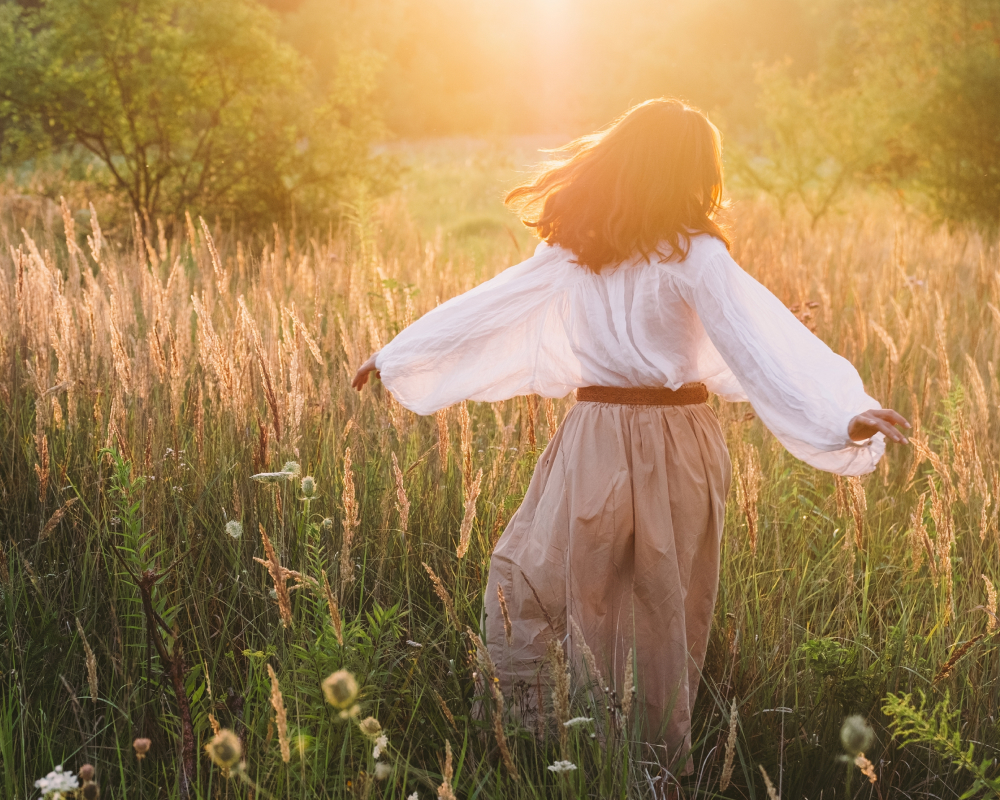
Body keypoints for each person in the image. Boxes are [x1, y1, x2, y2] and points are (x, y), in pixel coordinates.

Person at [352, 98, 909, 774]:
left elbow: (760, 342)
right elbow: (495, 302)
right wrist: (401, 355)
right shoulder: (577, 251)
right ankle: (544, 744)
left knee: (649, 609)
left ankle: (641, 769)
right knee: (538, 582)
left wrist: (840, 414)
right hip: (603, 437)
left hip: (663, 442)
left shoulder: (688, 257)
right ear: (687, 172)